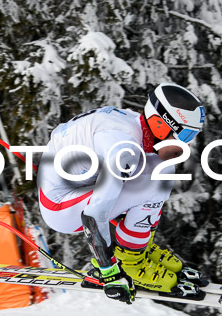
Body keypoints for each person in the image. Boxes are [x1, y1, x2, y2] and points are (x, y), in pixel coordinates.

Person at [36, 82, 205, 304]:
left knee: (160, 168)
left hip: (76, 186)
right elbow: (94, 214)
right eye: (185, 135)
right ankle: (132, 262)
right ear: (159, 124)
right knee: (154, 181)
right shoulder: (123, 148)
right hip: (60, 207)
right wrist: (109, 272)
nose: (187, 145)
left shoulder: (134, 125)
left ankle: (135, 249)